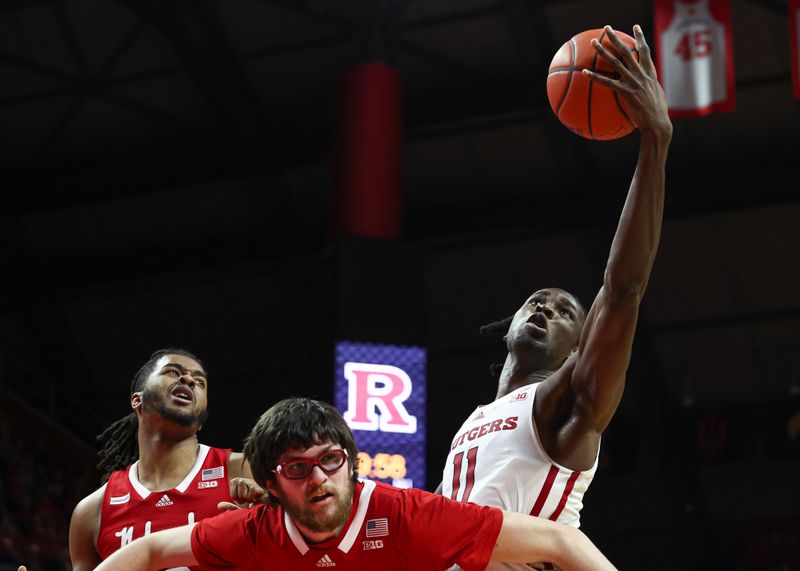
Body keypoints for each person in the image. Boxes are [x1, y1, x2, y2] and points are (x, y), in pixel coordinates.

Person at [439, 25, 672, 570]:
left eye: (567, 311)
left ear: (577, 351)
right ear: (509, 325)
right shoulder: (474, 422)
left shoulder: (564, 407)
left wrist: (655, 140)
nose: (545, 308)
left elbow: (622, 291)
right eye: (537, 301)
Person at [91, 397, 615, 571]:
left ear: (352, 462)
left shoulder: (408, 515)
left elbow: (562, 540)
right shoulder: (253, 531)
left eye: (331, 460)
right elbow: (152, 549)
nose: (319, 477)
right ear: (271, 485)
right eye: (298, 469)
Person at [56, 348, 256, 570]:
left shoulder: (245, 471)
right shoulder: (92, 511)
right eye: (173, 372)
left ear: (200, 420)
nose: (189, 379)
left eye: (200, 382)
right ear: (137, 400)